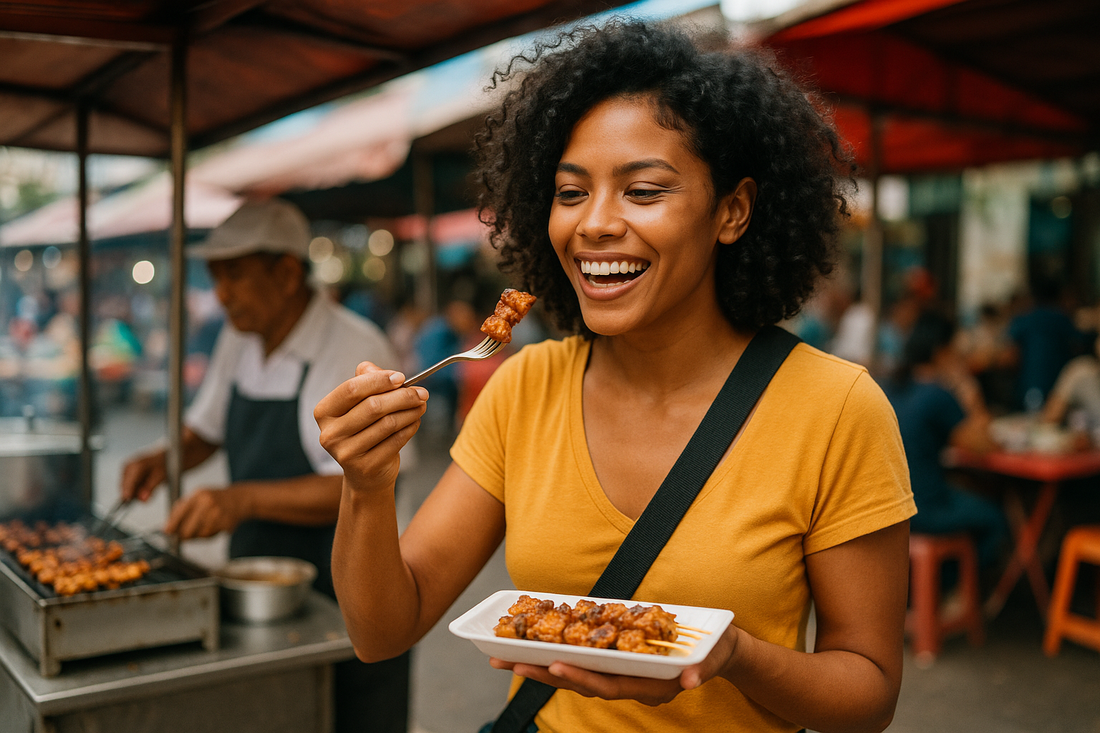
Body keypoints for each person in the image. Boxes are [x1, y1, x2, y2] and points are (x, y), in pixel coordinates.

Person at [315, 21, 914, 733]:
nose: (594, 224)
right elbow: (382, 631)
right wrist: (367, 484)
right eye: (571, 193)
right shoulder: (525, 387)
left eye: (644, 191)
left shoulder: (835, 408)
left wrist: (732, 656)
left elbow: (869, 694)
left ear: (732, 211)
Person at [118, 198, 410, 733]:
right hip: (259, 585)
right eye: (216, 278)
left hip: (345, 589)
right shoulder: (239, 338)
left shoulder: (354, 347)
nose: (221, 294)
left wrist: (240, 500)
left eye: (234, 276)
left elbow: (356, 483)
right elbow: (205, 430)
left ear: (286, 274)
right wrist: (161, 458)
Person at [885, 310, 1008, 569]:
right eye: (956, 350)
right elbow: (985, 446)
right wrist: (970, 390)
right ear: (941, 352)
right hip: (924, 509)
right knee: (996, 519)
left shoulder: (894, 386)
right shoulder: (937, 394)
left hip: (890, 507)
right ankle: (958, 587)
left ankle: (935, 584)